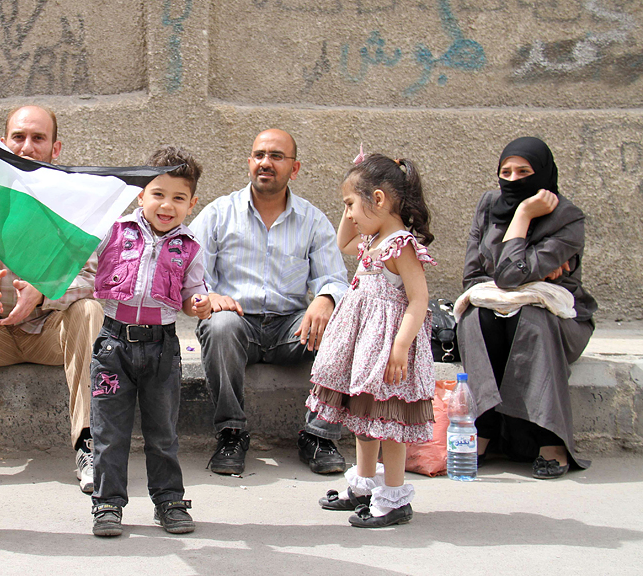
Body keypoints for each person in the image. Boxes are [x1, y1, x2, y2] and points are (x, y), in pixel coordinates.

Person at [0, 105, 103, 493]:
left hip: (49, 334)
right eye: (18, 137)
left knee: (90, 311)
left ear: (55, 149)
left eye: (38, 138)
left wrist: (42, 292)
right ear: (3, 142)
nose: (26, 146)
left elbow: (91, 277)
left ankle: (89, 446)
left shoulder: (75, 201)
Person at [190, 129, 350, 476]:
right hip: (238, 324)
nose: (266, 162)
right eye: (259, 155)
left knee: (342, 325)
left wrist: (324, 299)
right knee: (220, 325)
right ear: (249, 162)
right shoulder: (220, 213)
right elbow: (189, 273)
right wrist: (211, 295)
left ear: (294, 168)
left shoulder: (312, 220)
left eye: (277, 156)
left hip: (290, 329)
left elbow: (336, 280)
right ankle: (231, 433)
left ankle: (318, 436)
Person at [307, 153, 436, 528]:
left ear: (378, 199)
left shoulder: (400, 245)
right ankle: (364, 485)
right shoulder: (372, 238)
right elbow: (343, 243)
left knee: (388, 423)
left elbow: (418, 299)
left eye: (351, 204)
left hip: (387, 348)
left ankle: (394, 497)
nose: (348, 213)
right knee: (365, 418)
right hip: (362, 348)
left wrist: (400, 347)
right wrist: (350, 203)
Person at [89, 146, 212, 538]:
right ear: (141, 193)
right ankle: (108, 503)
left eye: (178, 198)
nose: (166, 205)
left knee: (163, 433)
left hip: (162, 348)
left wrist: (200, 304)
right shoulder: (113, 232)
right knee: (109, 432)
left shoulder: (190, 246)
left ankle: (169, 501)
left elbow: (194, 295)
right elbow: (83, 272)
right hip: (113, 346)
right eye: (158, 193)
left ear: (191, 204)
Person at [457, 136, 596, 479]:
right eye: (506, 171)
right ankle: (484, 428)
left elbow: (504, 276)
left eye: (524, 171)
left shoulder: (567, 217)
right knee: (477, 318)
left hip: (558, 319)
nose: (514, 179)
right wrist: (527, 270)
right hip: (499, 310)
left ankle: (550, 438)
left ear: (543, 174)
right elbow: (474, 277)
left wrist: (522, 216)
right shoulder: (489, 205)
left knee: (532, 318)